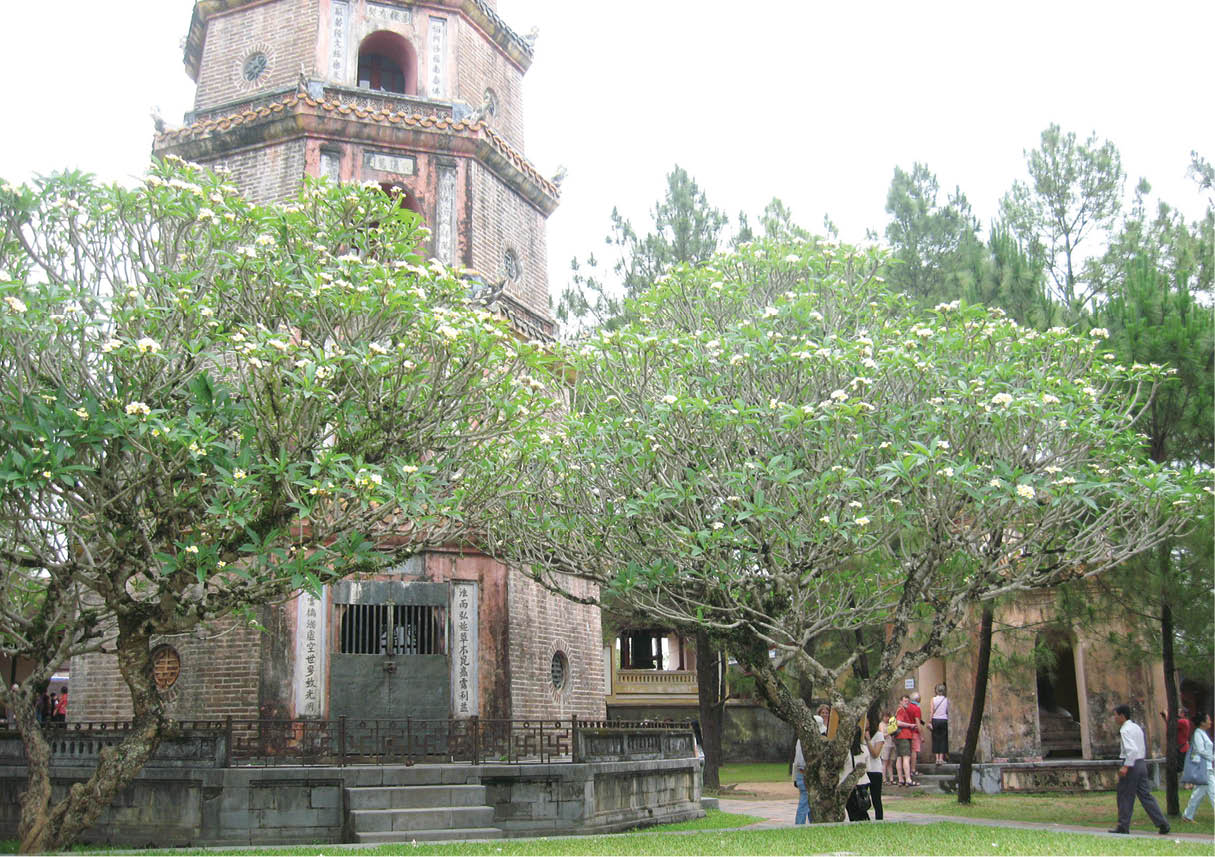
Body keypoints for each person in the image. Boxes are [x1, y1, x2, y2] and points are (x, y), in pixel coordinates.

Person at [1109, 703, 1169, 835]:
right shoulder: (1136, 727)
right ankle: (1162, 823)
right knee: (1145, 795)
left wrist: (1125, 766)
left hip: (1131, 764)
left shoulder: (1125, 730)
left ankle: (1123, 825)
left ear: (1122, 716)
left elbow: (1132, 750)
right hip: (1141, 763)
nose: (1115, 718)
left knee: (1125, 795)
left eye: (1116, 715)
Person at [1181, 712, 1214, 823]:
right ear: (1202, 722)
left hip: (1207, 767)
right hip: (1204, 769)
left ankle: (1187, 815)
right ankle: (1187, 816)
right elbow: (1200, 750)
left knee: (1198, 794)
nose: (1210, 722)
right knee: (1213, 792)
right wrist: (1212, 757)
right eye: (1208, 719)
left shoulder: (1202, 733)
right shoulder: (1198, 734)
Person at [842, 733, 870, 822]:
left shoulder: (845, 750)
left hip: (848, 782)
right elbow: (868, 767)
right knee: (862, 806)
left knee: (852, 810)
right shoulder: (864, 749)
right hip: (863, 781)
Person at [864, 718, 886, 820]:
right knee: (861, 797)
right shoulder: (860, 735)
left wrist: (868, 740)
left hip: (875, 770)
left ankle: (879, 819)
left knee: (876, 798)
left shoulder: (878, 735)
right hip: (864, 770)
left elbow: (875, 754)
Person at [895, 694, 917, 786]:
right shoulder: (901, 710)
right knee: (906, 757)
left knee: (899, 757)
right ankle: (908, 779)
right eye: (905, 701)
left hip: (898, 736)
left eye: (908, 701)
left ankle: (901, 779)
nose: (907, 703)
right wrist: (910, 725)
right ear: (900, 701)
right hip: (904, 736)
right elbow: (898, 722)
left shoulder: (900, 710)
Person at [1161, 707, 1193, 772]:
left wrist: (1166, 713)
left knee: (1180, 768)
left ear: (1183, 714)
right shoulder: (1183, 721)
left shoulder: (1183, 721)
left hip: (1182, 749)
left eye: (1179, 712)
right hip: (1180, 748)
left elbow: (1171, 723)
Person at [792, 737, 812, 824]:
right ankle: (799, 825)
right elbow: (800, 763)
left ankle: (814, 825)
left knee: (810, 804)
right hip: (804, 773)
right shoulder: (805, 740)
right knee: (804, 803)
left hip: (801, 774)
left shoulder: (800, 739)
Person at [930, 683, 949, 765]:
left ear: (936, 691)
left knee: (935, 739)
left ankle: (937, 758)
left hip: (935, 720)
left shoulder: (933, 699)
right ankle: (941, 758)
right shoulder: (946, 699)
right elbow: (947, 710)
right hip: (944, 719)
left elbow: (931, 711)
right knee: (943, 739)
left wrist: (930, 721)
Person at [908, 690, 924, 780]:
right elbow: (918, 723)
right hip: (914, 732)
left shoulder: (906, 707)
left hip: (906, 732)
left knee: (908, 752)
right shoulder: (916, 709)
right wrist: (921, 735)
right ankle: (913, 770)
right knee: (914, 751)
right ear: (917, 700)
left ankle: (907, 770)